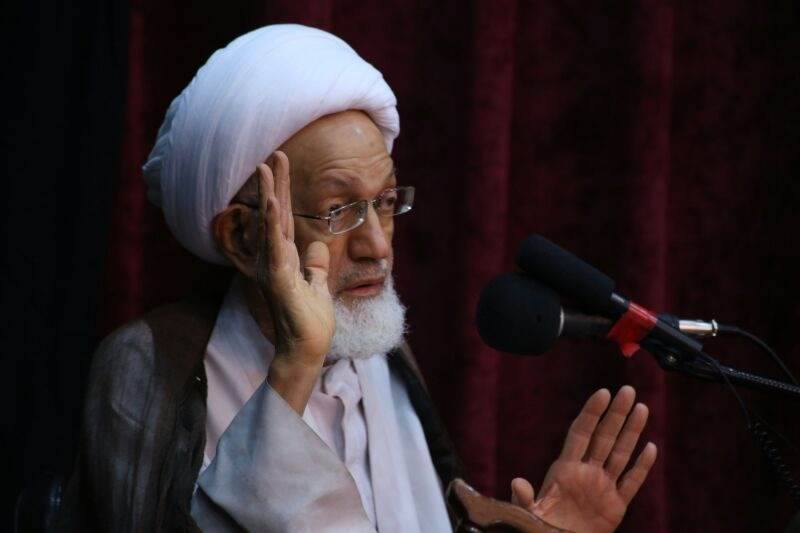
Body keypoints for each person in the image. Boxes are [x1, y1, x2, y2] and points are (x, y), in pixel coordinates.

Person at [60, 24, 657, 532]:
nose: (378, 245)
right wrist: (295, 367)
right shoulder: (149, 366)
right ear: (243, 236)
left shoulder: (381, 356)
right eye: (338, 210)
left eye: (387, 202)